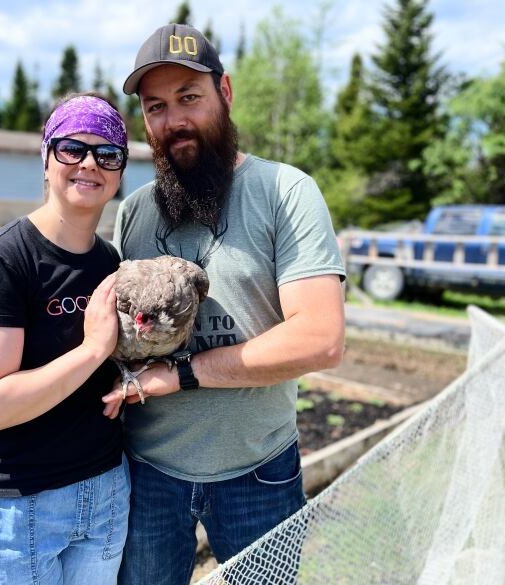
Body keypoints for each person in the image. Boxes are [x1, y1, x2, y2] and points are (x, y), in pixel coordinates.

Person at [102, 24, 346, 585]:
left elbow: (320, 338)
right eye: (157, 106)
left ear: (226, 93)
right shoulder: (135, 212)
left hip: (257, 474)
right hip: (147, 477)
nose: (175, 120)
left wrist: (178, 375)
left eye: (190, 97)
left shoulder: (286, 191)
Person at [0, 93, 130, 585]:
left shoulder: (110, 262)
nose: (89, 163)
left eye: (107, 154)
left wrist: (127, 379)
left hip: (101, 495)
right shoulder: (1, 263)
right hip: (6, 506)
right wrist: (92, 351)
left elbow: (100, 364)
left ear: (120, 171)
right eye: (72, 149)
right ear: (46, 159)